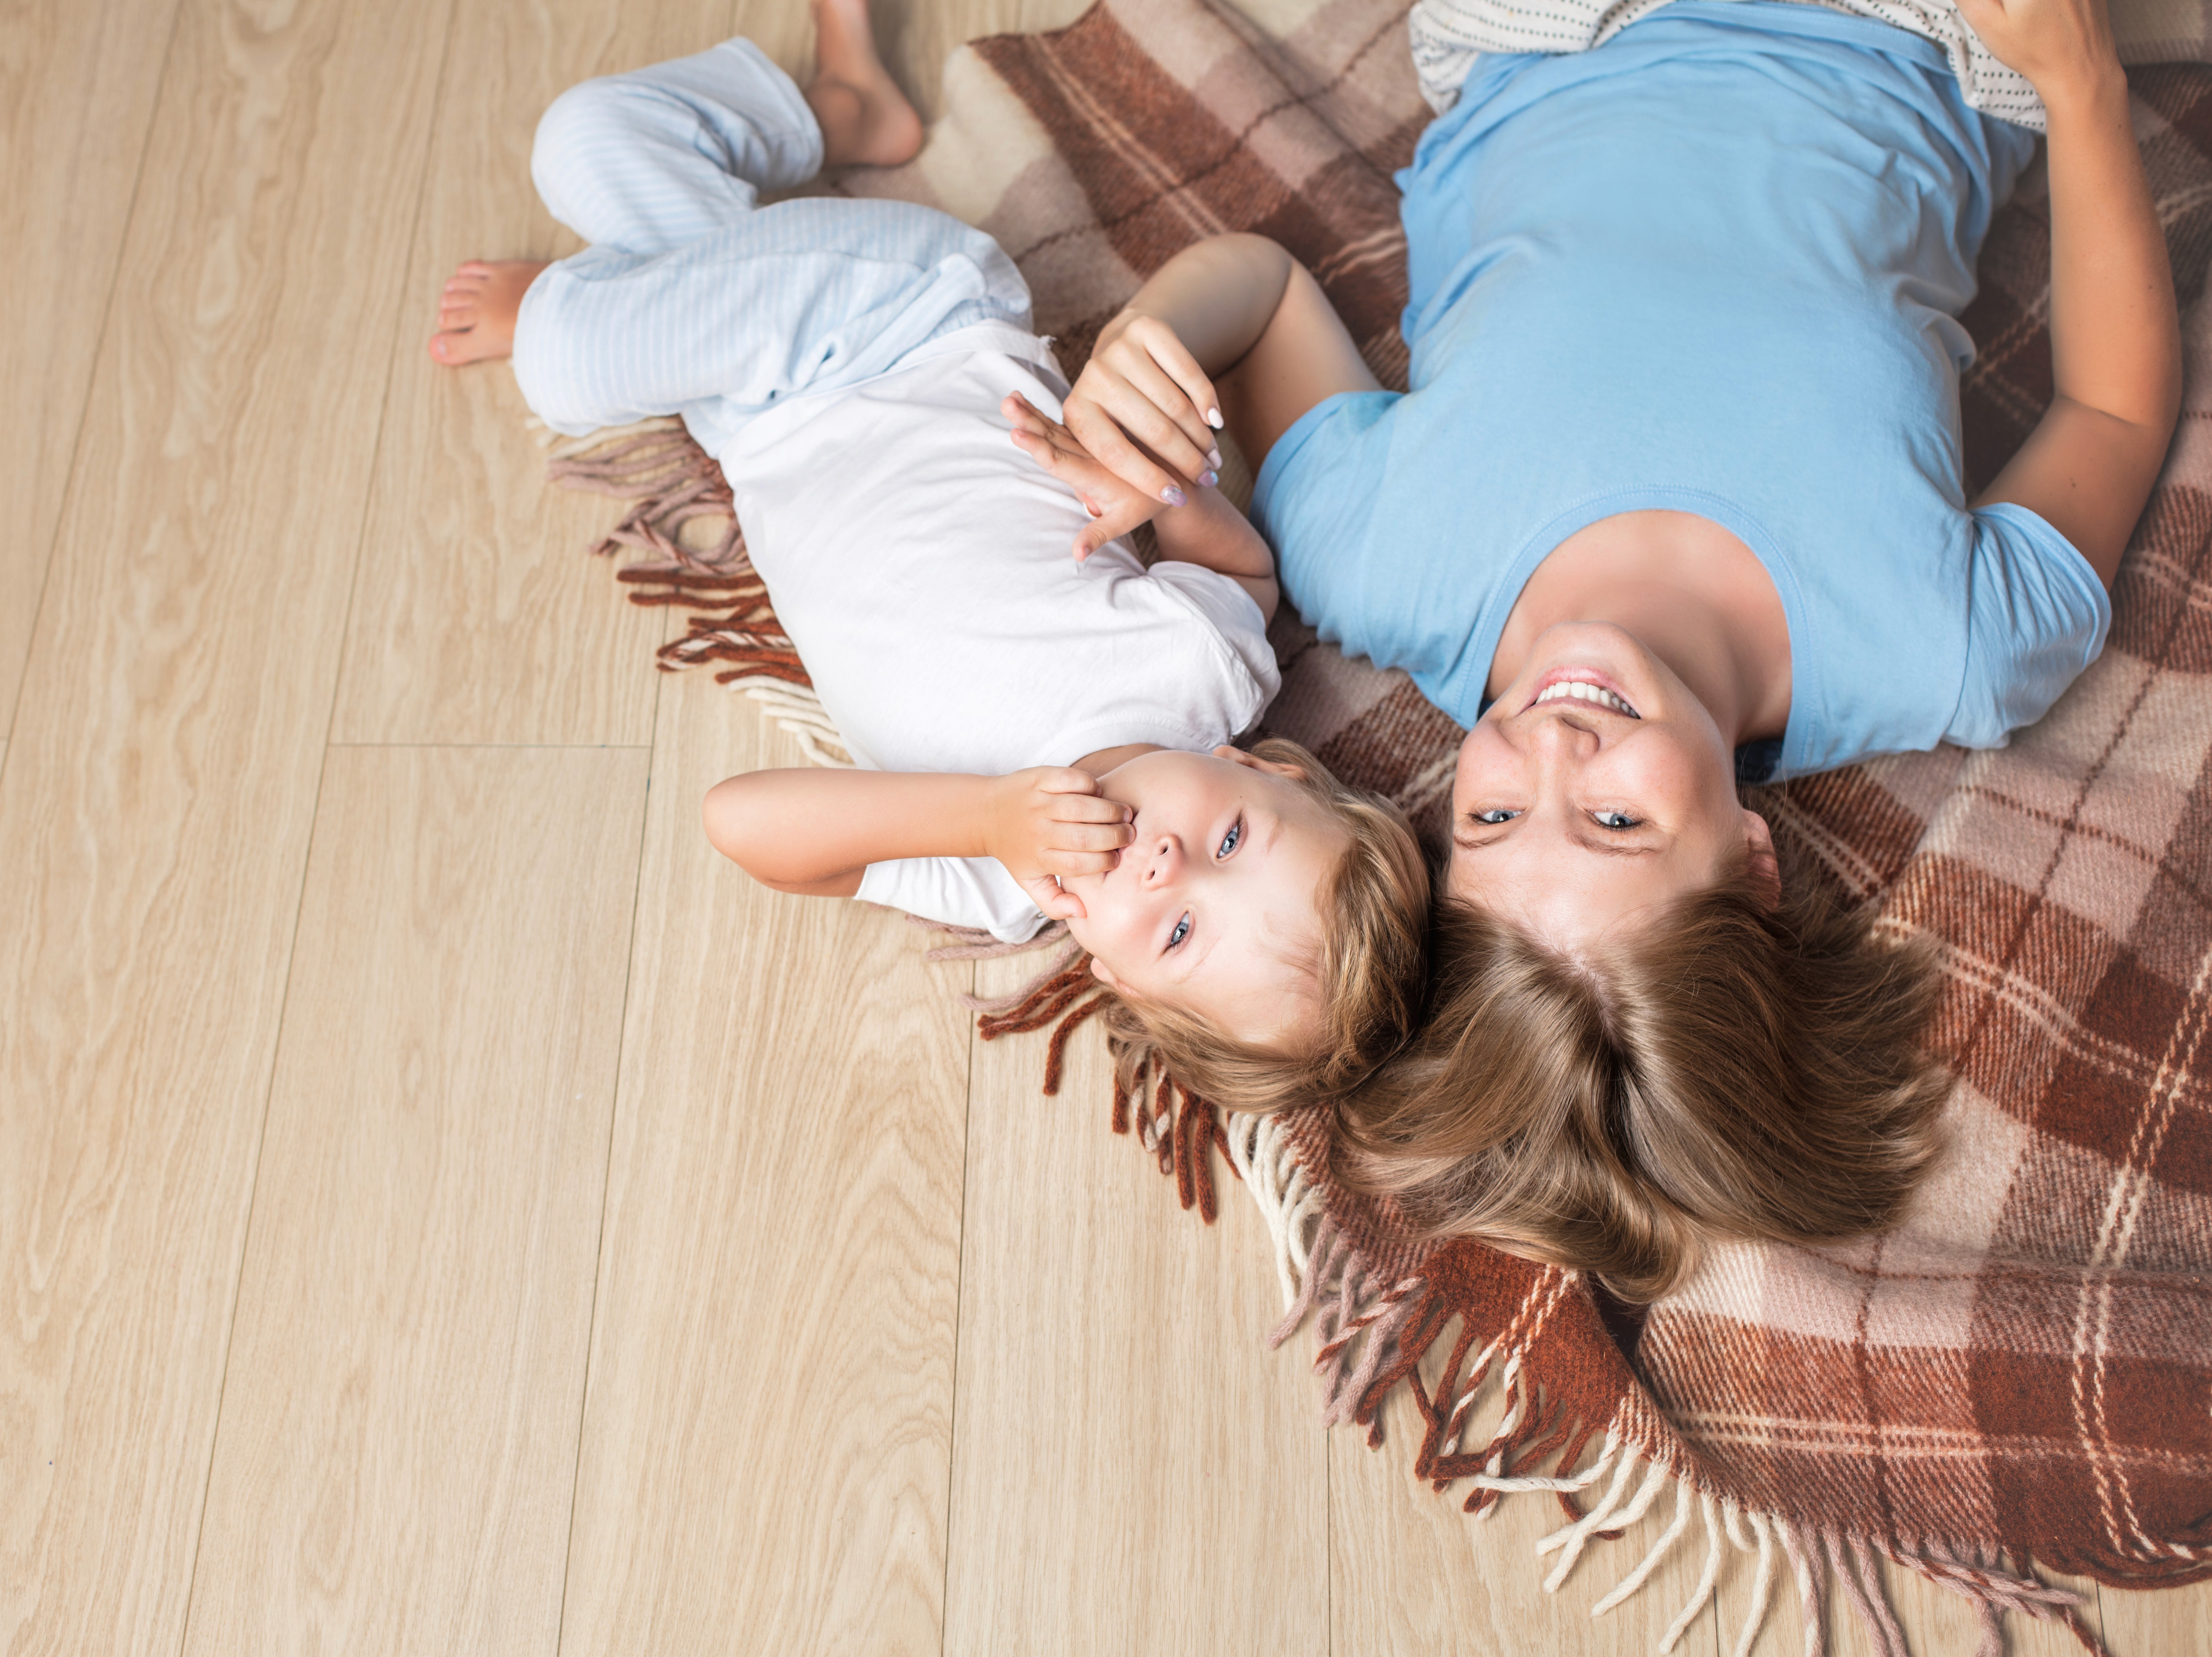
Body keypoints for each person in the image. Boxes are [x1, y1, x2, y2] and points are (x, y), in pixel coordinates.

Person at [1034, 0, 2178, 1296]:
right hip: (1904, 32)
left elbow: (1261, 293)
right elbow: (2109, 406)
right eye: (1616, 826)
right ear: (1751, 863)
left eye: (1497, 814)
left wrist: (1150, 340)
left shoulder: (1381, 563)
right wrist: (2079, 81)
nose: (1553, 749)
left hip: (1554, 29)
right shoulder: (1945, 648)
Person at [425, 1, 1430, 1099]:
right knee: (567, 358)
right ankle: (589, 307)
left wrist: (991, 816)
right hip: (902, 327)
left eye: (1181, 931)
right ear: (1252, 767)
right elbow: (1244, 573)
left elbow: (744, 823)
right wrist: (1164, 488)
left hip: (760, 425)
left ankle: (845, 111)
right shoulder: (1201, 679)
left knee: (592, 142)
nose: (1166, 863)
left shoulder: (994, 876)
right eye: (1234, 840)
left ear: (1120, 980)